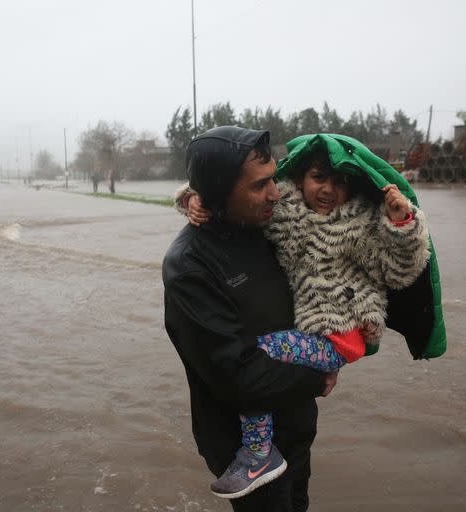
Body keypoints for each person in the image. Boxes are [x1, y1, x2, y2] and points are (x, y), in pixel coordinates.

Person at [179, 134, 437, 498]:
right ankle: (260, 451)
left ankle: (257, 451)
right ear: (299, 179)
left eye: (340, 181)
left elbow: (397, 271)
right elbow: (230, 196)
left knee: (263, 351)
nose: (329, 189)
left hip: (339, 335)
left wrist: (402, 225)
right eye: (319, 178)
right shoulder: (278, 214)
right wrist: (194, 198)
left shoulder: (359, 225)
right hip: (303, 358)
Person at [162, 126, 341, 511]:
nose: (275, 193)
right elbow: (238, 378)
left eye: (274, 179)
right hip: (247, 455)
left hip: (296, 428)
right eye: (260, 185)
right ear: (216, 195)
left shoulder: (269, 227)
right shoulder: (190, 268)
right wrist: (318, 376)